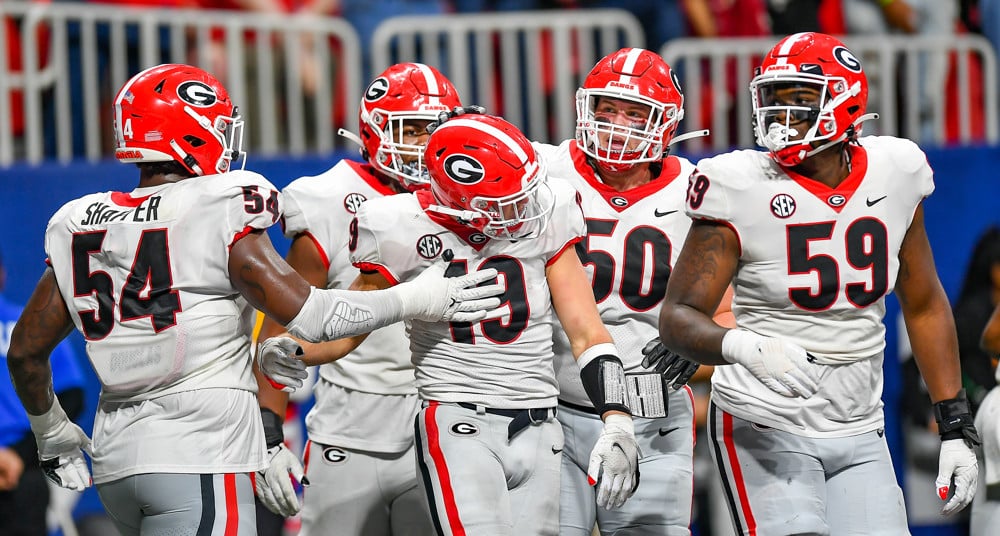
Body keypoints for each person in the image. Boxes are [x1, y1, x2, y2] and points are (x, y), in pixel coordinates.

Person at [4, 63, 503, 536]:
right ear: (193, 133)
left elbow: (25, 351)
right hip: (199, 451)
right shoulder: (220, 202)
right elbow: (318, 314)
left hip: (115, 460)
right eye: (218, 127)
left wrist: (50, 431)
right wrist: (420, 296)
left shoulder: (78, 220)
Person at [258, 111, 643, 535]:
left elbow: (587, 333)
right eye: (507, 200)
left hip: (541, 423)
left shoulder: (546, 214)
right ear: (460, 200)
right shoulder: (399, 225)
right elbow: (348, 326)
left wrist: (618, 418)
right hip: (459, 421)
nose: (525, 207)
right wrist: (293, 350)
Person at [657, 32, 980, 534]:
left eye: (800, 100)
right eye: (774, 99)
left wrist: (956, 424)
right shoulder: (738, 183)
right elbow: (677, 318)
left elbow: (923, 303)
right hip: (763, 418)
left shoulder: (895, 172)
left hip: (860, 425)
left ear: (845, 101)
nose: (781, 117)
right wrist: (744, 346)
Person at [253, 62, 463, 534]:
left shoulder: (474, 190)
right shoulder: (328, 197)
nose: (424, 145)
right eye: (411, 130)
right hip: (349, 427)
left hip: (445, 419)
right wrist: (269, 429)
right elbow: (282, 326)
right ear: (373, 130)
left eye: (435, 130)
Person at [532, 47, 714, 535]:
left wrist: (697, 350)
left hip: (652, 412)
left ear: (666, 123)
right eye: (606, 109)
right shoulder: (541, 171)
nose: (617, 124)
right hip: (550, 409)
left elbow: (728, 323)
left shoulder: (698, 192)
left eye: (636, 113)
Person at [0, 247, 86, 536]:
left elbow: (72, 396)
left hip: (20, 471)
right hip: (19, 465)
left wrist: (18, 455)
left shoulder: (27, 325)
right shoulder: (30, 327)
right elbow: (73, 396)